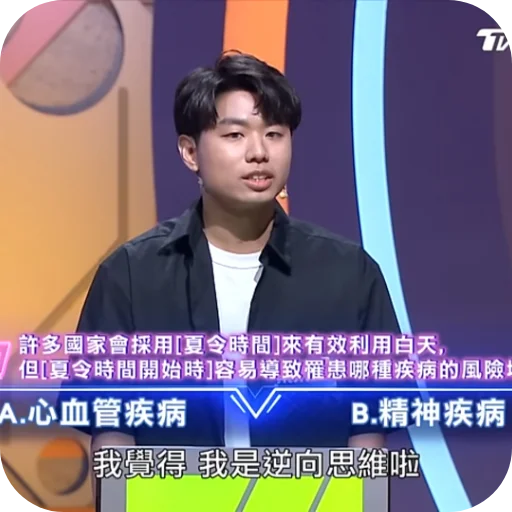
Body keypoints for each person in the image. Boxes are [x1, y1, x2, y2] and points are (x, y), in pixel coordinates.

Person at [61, 51, 401, 477]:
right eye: (236, 135)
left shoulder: (348, 274)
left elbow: (368, 435)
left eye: (274, 134)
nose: (259, 152)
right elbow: (112, 436)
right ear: (190, 152)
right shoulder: (131, 275)